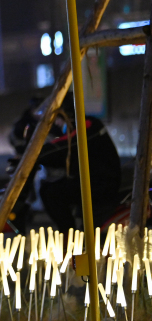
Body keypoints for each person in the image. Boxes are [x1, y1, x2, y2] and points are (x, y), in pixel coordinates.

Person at [36, 98, 121, 232]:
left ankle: (69, 236)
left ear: (67, 115)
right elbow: (64, 154)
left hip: (101, 182)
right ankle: (70, 233)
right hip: (89, 179)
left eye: (58, 119)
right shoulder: (83, 125)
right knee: (48, 189)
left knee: (53, 193)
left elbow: (66, 145)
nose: (57, 124)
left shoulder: (87, 124)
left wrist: (36, 153)